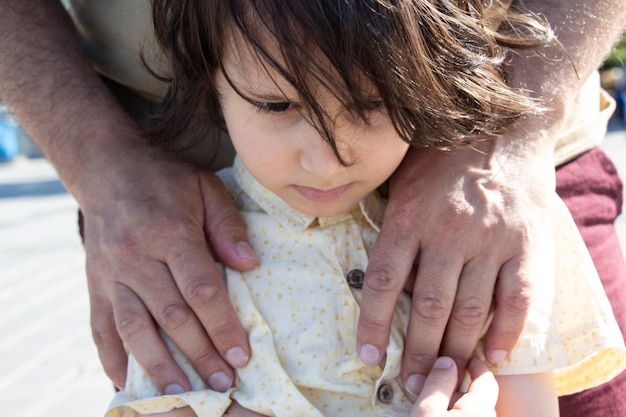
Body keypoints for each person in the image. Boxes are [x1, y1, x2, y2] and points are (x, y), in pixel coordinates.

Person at [0, 0, 625, 415]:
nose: (325, 162)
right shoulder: (179, 262)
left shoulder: (505, 234)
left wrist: (508, 134)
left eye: (370, 105)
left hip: (507, 160)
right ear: (204, 78)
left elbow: (530, 392)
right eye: (276, 106)